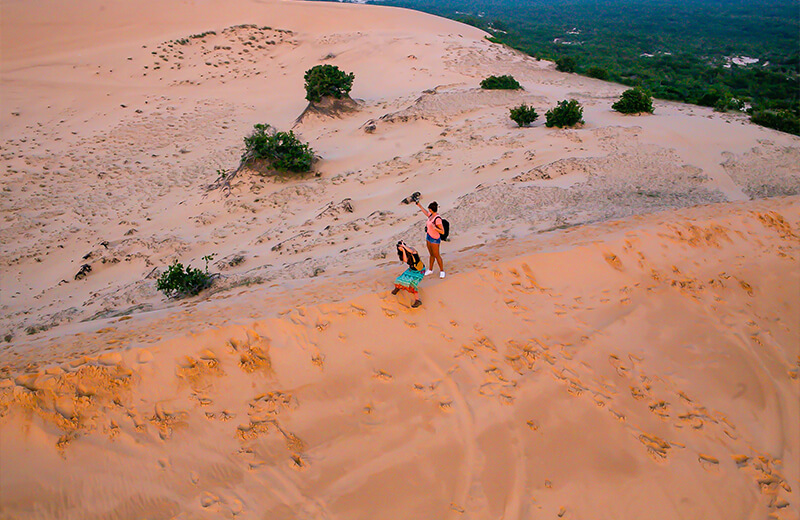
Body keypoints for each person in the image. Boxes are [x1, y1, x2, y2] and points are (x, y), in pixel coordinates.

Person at [415, 199, 445, 278]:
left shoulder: (437, 219)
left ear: (432, 210)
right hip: (429, 237)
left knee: (437, 255)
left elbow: (442, 232)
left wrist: (435, 228)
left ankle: (442, 271)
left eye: (429, 210)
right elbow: (426, 213)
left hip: (435, 239)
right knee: (431, 255)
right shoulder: (431, 215)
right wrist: (420, 206)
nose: (429, 211)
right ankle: (430, 269)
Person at [392, 241, 424, 308]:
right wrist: (403, 250)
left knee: (412, 284)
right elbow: (405, 260)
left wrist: (404, 246)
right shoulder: (403, 254)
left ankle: (417, 300)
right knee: (400, 279)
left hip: (419, 270)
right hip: (411, 270)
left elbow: (412, 252)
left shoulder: (412, 249)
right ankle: (397, 288)